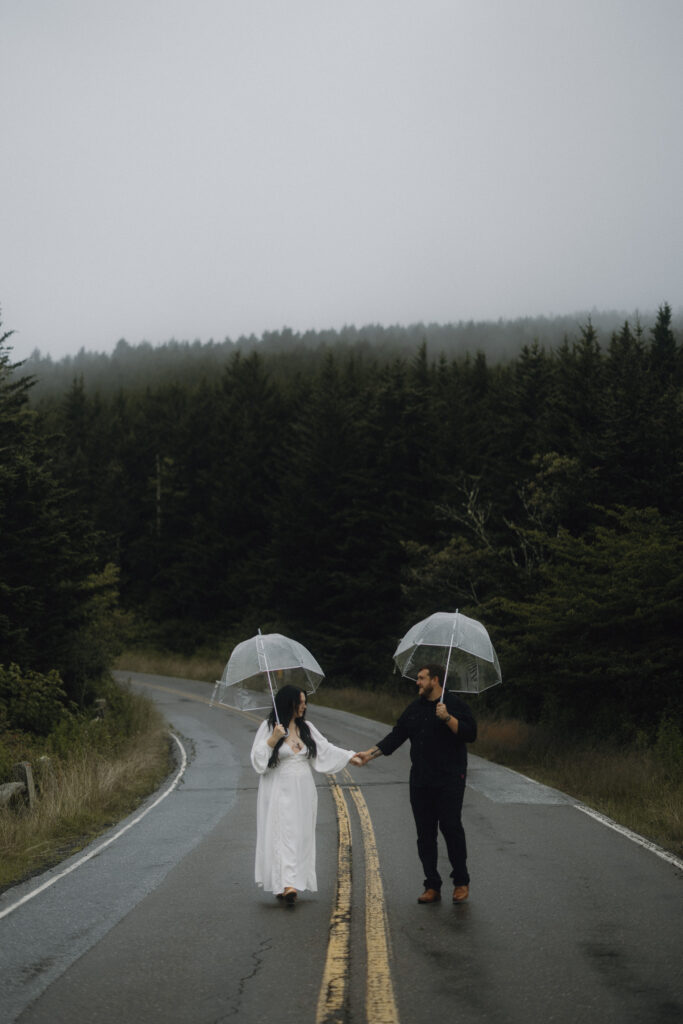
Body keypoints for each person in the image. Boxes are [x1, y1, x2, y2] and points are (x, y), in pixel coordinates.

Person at [356, 664, 477, 905]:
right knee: (425, 834)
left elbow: (470, 734)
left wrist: (448, 718)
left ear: (435, 680)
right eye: (418, 679)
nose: (417, 682)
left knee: (451, 828)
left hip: (450, 779)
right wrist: (371, 753)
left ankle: (461, 882)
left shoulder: (454, 705)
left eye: (421, 678)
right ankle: (432, 885)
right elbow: (397, 735)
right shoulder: (415, 708)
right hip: (421, 780)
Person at [250, 684, 362, 904]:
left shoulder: (306, 727)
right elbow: (257, 761)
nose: (304, 706)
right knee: (282, 834)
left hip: (303, 791)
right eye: (299, 702)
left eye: (304, 702)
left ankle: (289, 882)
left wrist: (350, 757)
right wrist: (273, 739)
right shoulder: (269, 727)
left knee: (299, 835)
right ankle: (287, 883)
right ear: (288, 703)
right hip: (278, 789)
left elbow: (325, 749)